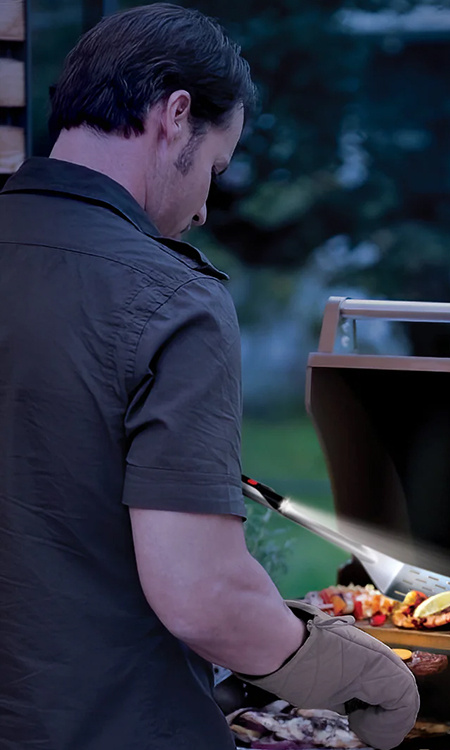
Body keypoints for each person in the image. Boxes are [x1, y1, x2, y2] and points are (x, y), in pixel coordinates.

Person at [0, 5, 419, 750]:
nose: (201, 209)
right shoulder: (170, 299)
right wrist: (363, 677)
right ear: (176, 115)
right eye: (216, 171)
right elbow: (202, 596)